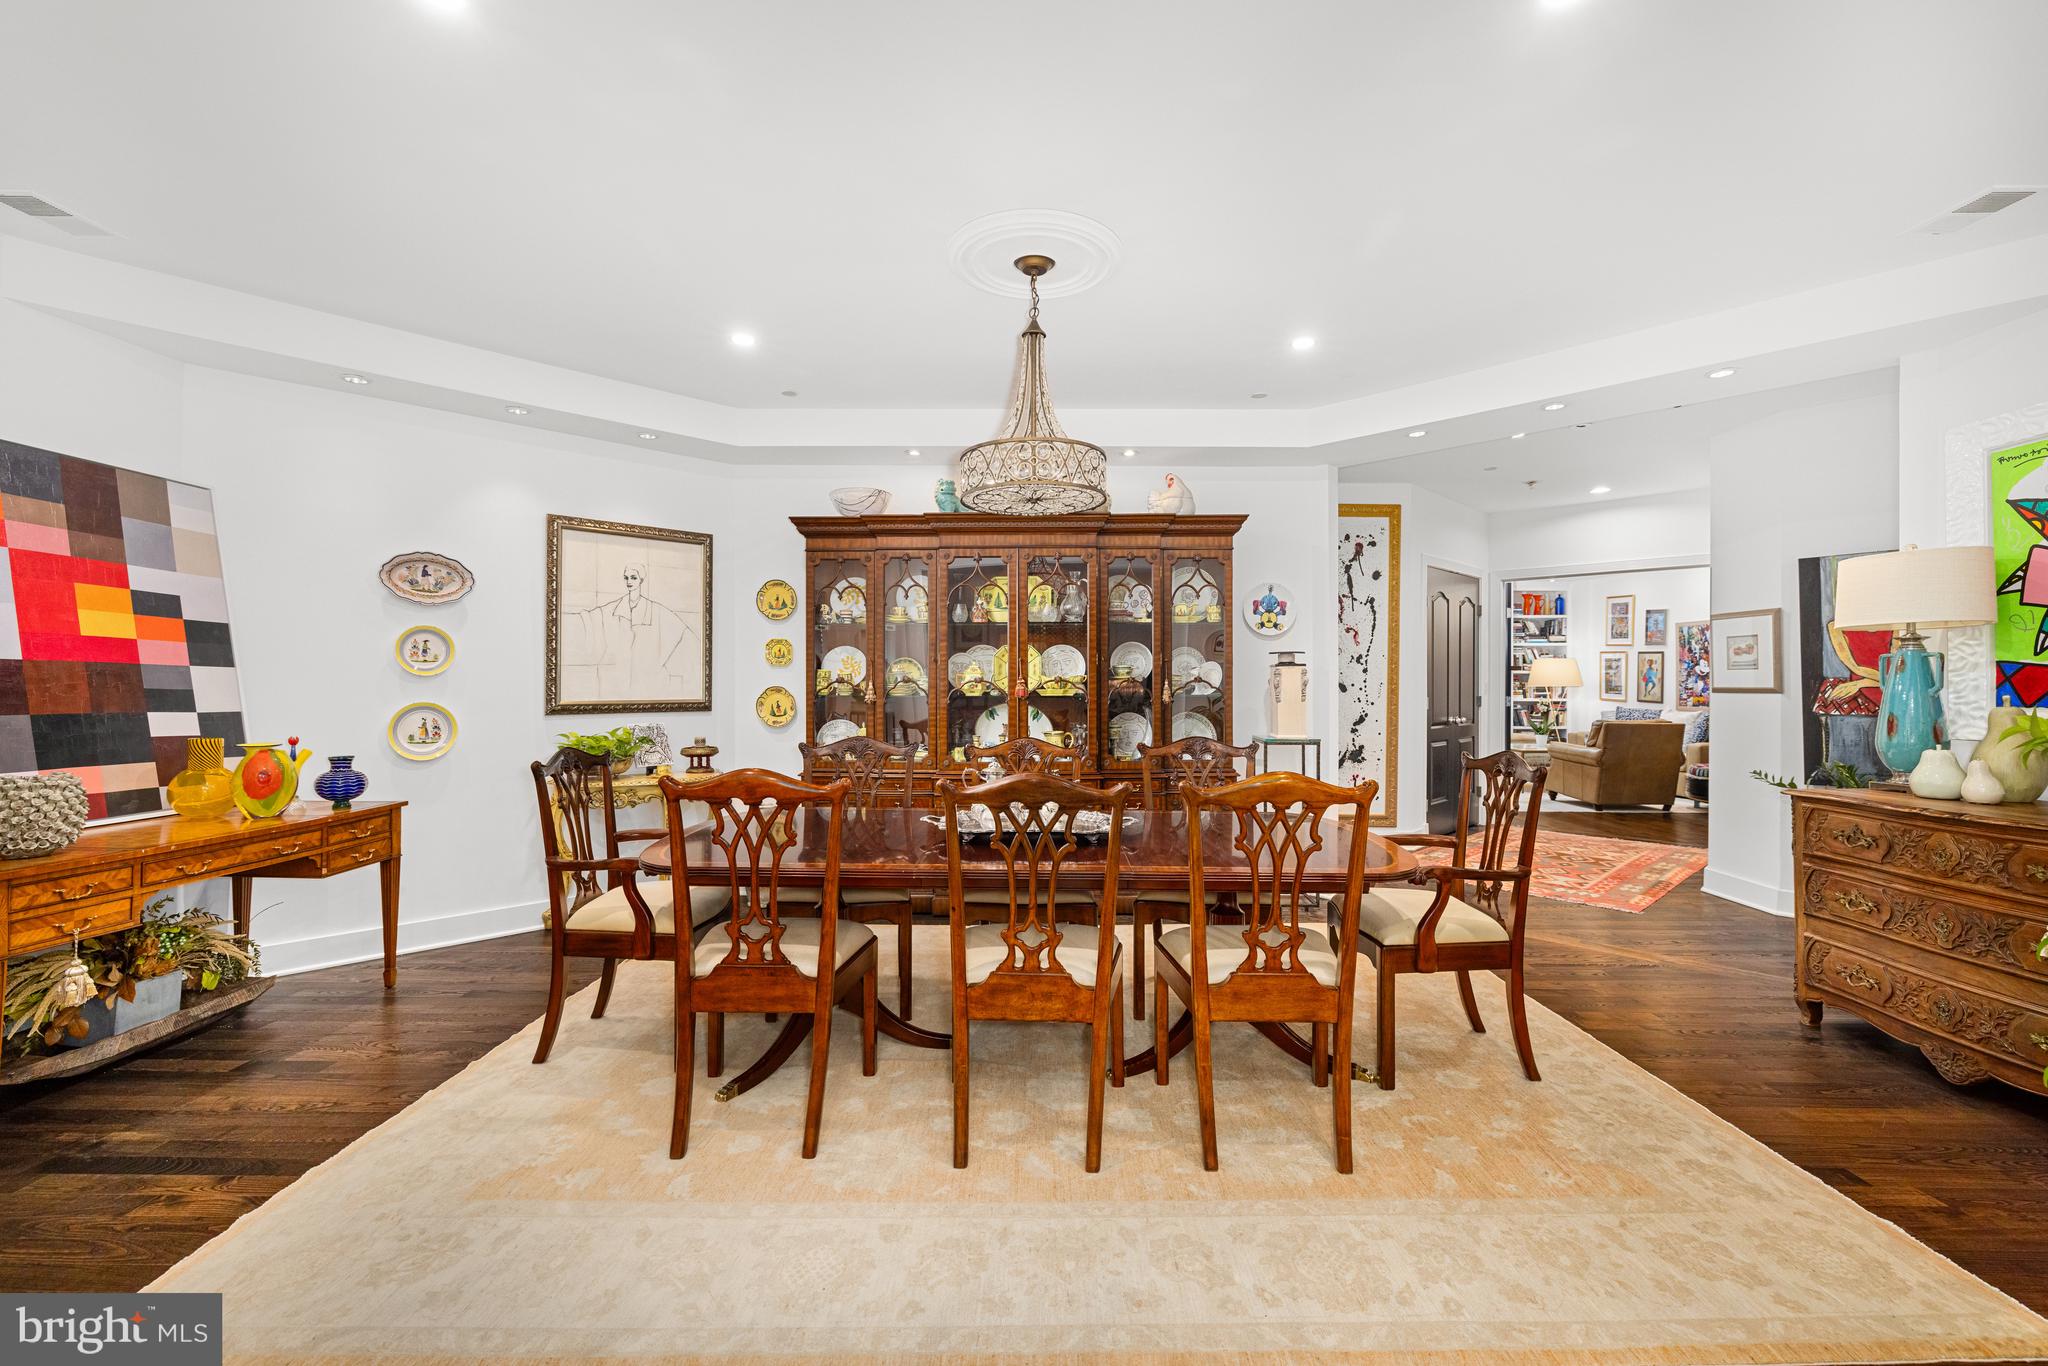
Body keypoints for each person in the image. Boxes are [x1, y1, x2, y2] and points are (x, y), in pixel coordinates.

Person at [566, 562, 701, 700]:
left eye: (633, 577)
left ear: (641, 579)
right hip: (617, 687)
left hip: (650, 688)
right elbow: (590, 619)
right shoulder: (613, 608)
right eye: (626, 578)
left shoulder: (656, 611)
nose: (629, 581)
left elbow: (685, 639)